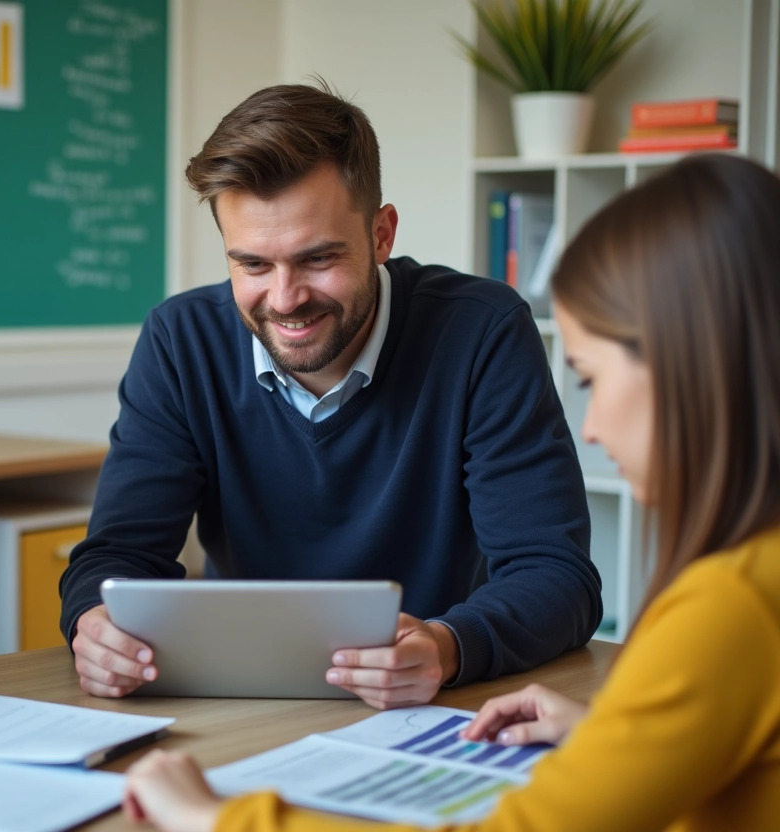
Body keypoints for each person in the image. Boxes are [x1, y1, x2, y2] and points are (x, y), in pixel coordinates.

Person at [121, 151, 780, 831]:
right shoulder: (752, 586)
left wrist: (218, 820)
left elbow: (557, 575)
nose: (591, 427)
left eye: (589, 378)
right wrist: (615, 743)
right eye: (252, 264)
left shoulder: (731, 607)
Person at [59, 81, 601, 706]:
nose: (285, 298)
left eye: (318, 259)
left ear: (381, 234)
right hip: (233, 706)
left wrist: (447, 646)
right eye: (252, 265)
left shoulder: (481, 330)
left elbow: (557, 576)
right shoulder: (180, 340)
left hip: (430, 710)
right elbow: (116, 555)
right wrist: (92, 625)